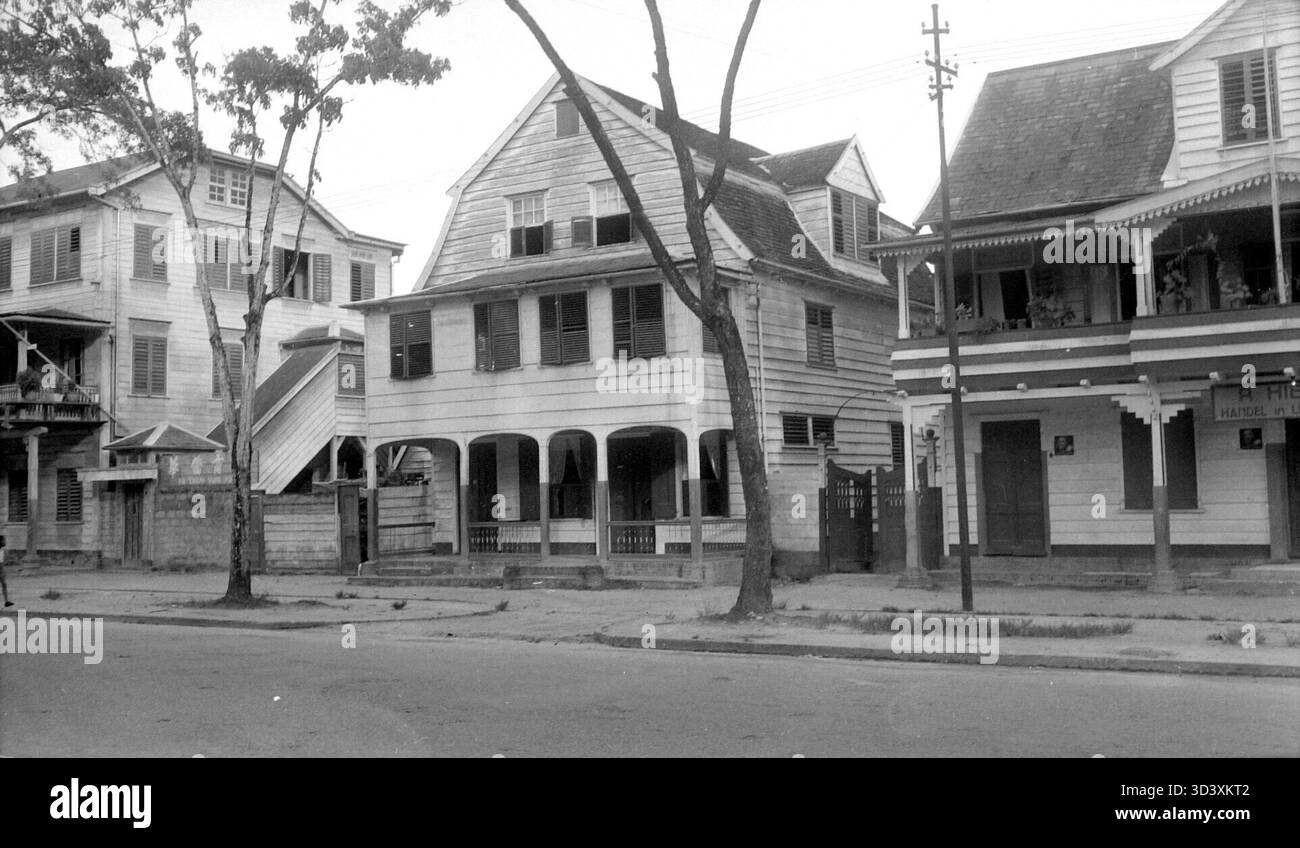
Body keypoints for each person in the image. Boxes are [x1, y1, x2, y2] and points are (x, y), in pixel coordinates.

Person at [0, 534, 11, 607]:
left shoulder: (3, 550)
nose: (5, 542)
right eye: (4, 540)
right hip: (1, 570)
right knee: (4, 584)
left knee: (4, 585)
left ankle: (6, 601)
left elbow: (3, 561)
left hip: (1, 570)